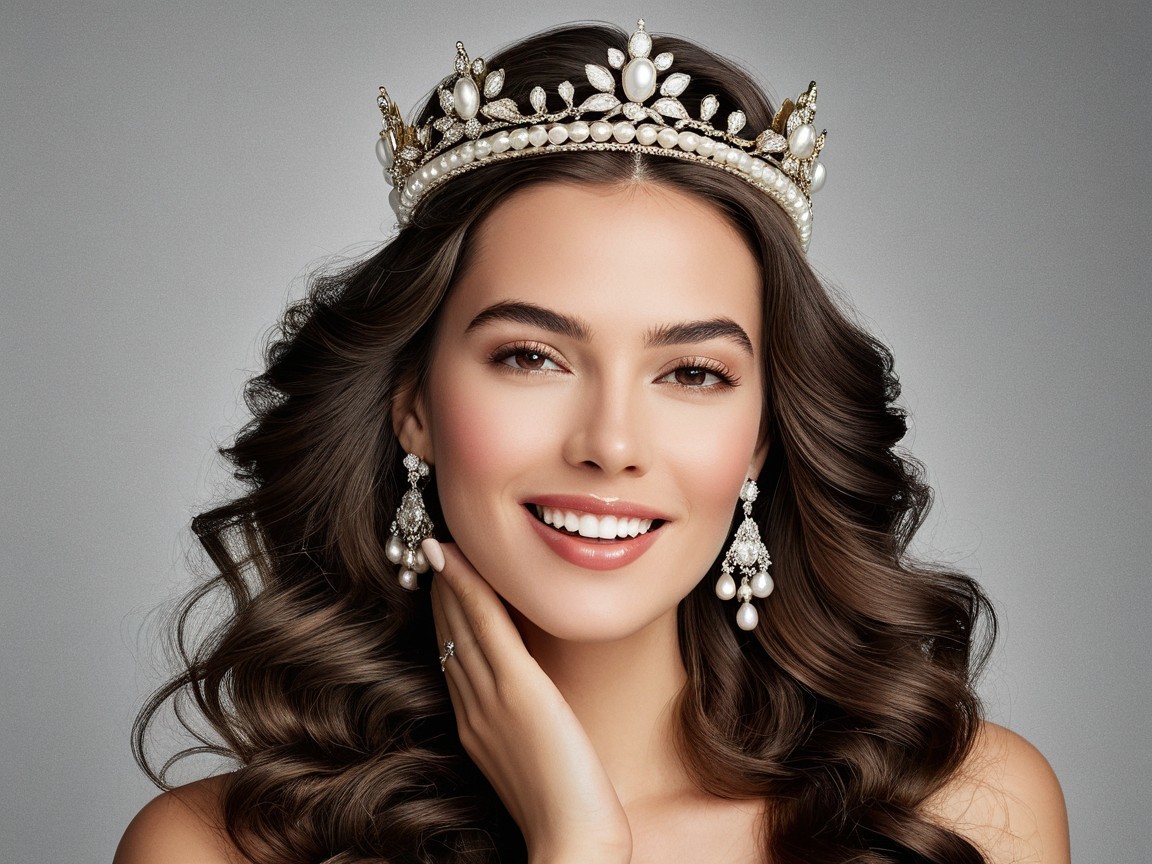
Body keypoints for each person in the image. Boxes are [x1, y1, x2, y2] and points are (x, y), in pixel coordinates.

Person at [115, 20, 1069, 864]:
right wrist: (574, 844)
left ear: (761, 440)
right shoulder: (214, 851)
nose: (611, 444)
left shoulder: (964, 815)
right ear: (414, 406)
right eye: (531, 357)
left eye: (692, 374)